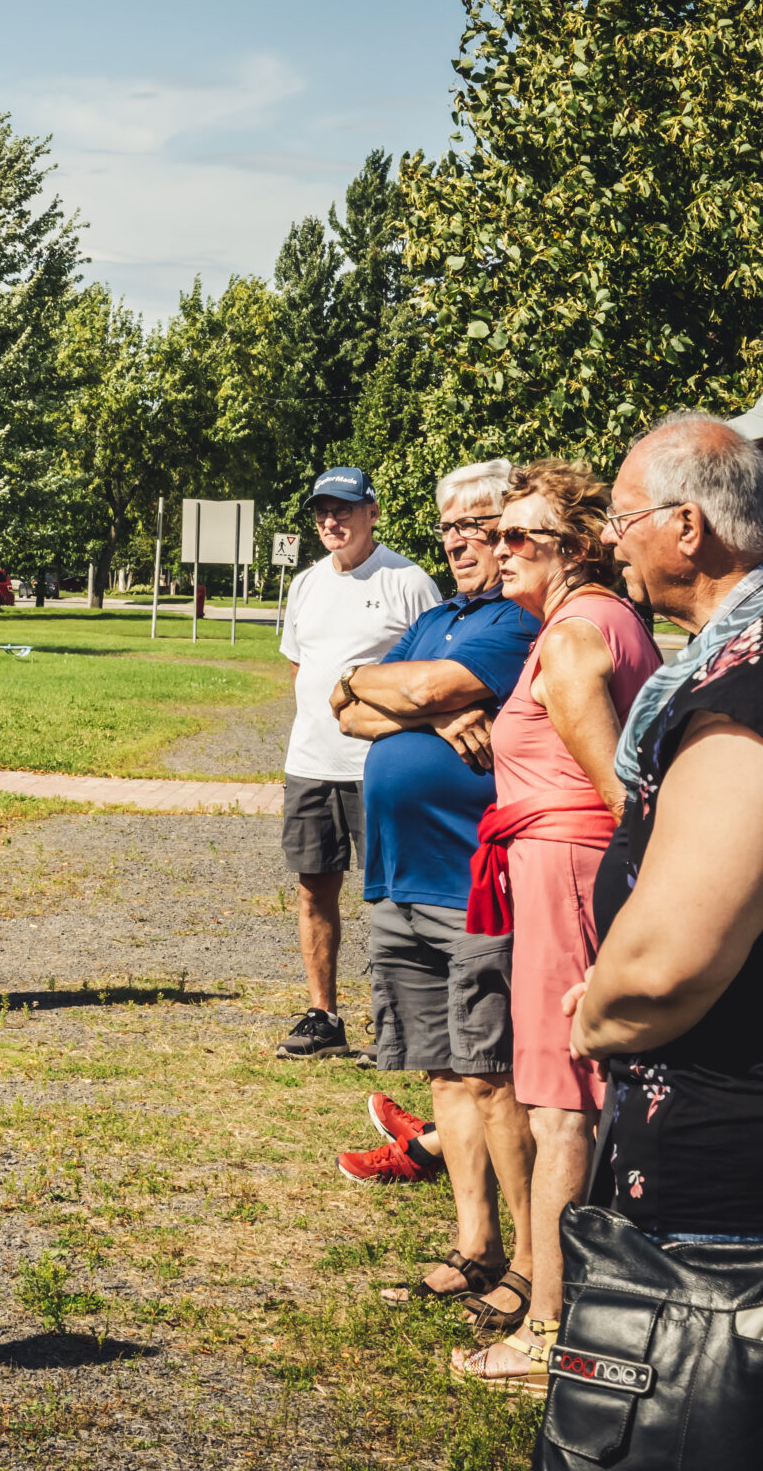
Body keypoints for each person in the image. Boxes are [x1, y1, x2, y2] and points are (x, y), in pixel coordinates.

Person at [451, 458, 659, 1390]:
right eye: (493, 535)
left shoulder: (576, 637)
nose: (496, 551)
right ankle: (563, 1309)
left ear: (575, 549)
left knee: (562, 1102)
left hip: (568, 877)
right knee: (568, 1093)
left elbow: (626, 799)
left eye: (516, 536)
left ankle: (547, 1335)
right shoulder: (584, 625)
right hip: (552, 872)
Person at [563, 414, 763, 1366]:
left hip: (726, 1211)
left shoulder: (750, 682)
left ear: (689, 527)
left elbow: (668, 962)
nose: (611, 537)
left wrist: (595, 1014)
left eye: (624, 514)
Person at [327, 462, 539, 1325]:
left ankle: (531, 1261)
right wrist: (426, 710)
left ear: (512, 530)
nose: (455, 538)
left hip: (470, 877)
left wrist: (415, 695)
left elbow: (407, 686)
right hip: (397, 876)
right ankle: (473, 1242)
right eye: (447, 524)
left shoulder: (514, 619)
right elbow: (345, 699)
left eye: (475, 522)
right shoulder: (437, 617)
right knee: (444, 1072)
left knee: (495, 1077)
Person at [276, 467, 442, 1059]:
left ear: (372, 511)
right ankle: (324, 1015)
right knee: (314, 887)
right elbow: (300, 669)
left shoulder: (408, 580)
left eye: (344, 510)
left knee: (397, 896)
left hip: (383, 764)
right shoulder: (305, 585)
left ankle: (397, 1023)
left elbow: (434, 674)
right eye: (322, 511)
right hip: (312, 762)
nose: (332, 521)